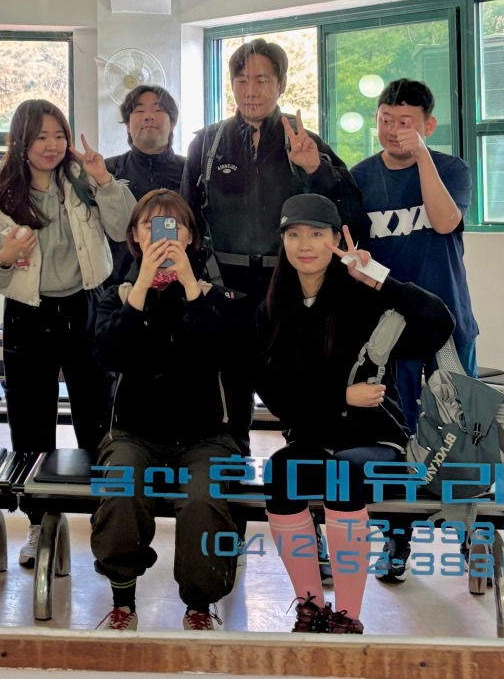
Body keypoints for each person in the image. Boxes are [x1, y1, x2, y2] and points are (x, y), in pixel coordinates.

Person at [254, 195, 453, 634]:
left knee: (342, 471)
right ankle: (310, 606)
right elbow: (278, 397)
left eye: (317, 234)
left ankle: (347, 616)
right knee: (281, 469)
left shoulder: (365, 299)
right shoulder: (270, 310)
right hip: (312, 438)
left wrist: (379, 278)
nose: (305, 244)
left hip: (375, 440)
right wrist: (341, 396)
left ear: (336, 239)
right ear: (282, 241)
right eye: (293, 234)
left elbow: (440, 324)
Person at [0, 99, 135, 565]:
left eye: (59, 136)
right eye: (41, 137)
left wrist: (104, 180)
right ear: (21, 141)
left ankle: (104, 518)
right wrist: (4, 257)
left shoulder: (82, 180)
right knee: (30, 418)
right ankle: (38, 521)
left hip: (86, 305)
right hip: (27, 312)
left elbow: (124, 229)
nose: (52, 145)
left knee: (96, 415)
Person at [182, 39, 361, 452]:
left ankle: (305, 458)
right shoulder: (206, 144)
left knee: (297, 376)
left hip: (290, 284)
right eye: (242, 80)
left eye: (262, 80)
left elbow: (351, 212)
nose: (251, 91)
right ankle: (232, 460)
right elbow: (188, 218)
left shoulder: (305, 142)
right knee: (231, 383)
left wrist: (314, 167)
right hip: (224, 284)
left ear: (281, 85)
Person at [92, 190, 246, 632]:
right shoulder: (118, 296)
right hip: (133, 433)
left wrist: (191, 288)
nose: (163, 235)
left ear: (191, 236)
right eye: (151, 225)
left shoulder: (216, 297)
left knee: (203, 501)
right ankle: (123, 599)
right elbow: (108, 355)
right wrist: (141, 286)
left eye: (174, 225)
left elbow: (222, 354)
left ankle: (199, 605)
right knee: (120, 490)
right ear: (135, 236)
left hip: (205, 437)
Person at [350, 77, 480, 581]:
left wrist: (423, 158)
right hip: (390, 332)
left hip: (449, 322)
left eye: (406, 122)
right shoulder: (361, 178)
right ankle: (396, 539)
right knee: (396, 437)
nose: (393, 130)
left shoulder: (452, 169)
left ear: (428, 125)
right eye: (385, 119)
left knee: (463, 432)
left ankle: (472, 534)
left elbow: (445, 223)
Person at [104, 85, 186, 286]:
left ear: (172, 123)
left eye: (158, 110)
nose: (149, 116)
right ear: (127, 125)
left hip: (180, 284)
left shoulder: (191, 171)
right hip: (121, 285)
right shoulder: (107, 171)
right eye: (140, 111)